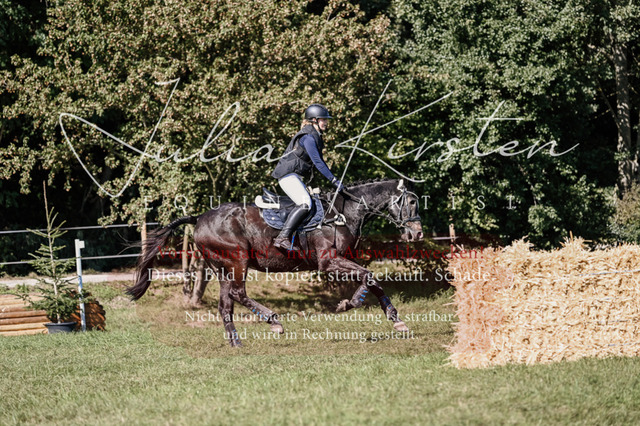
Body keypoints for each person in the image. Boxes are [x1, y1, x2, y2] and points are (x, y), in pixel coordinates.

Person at [271, 103, 344, 249]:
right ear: (314, 120)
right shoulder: (308, 138)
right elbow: (318, 162)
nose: (326, 122)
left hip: (294, 177)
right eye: (323, 119)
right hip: (288, 176)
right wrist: (333, 180)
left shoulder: (314, 136)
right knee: (305, 203)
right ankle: (282, 237)